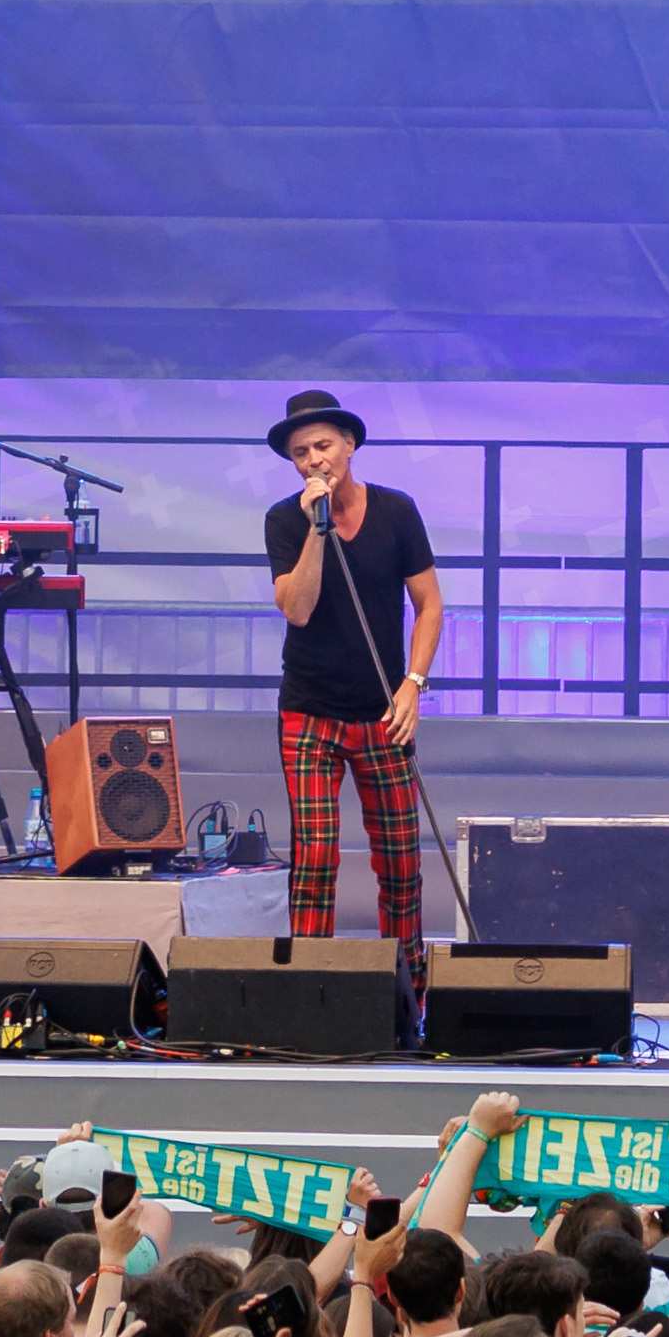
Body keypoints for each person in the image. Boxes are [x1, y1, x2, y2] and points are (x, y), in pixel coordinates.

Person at [259, 389, 441, 943]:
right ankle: (310, 997)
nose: (313, 460)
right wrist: (317, 529)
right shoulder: (285, 521)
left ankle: (410, 1004)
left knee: (401, 865)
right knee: (315, 861)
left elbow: (429, 603)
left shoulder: (396, 511)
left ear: (350, 445)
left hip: (383, 713)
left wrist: (412, 686)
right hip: (311, 712)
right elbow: (298, 607)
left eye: (323, 446)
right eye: (300, 453)